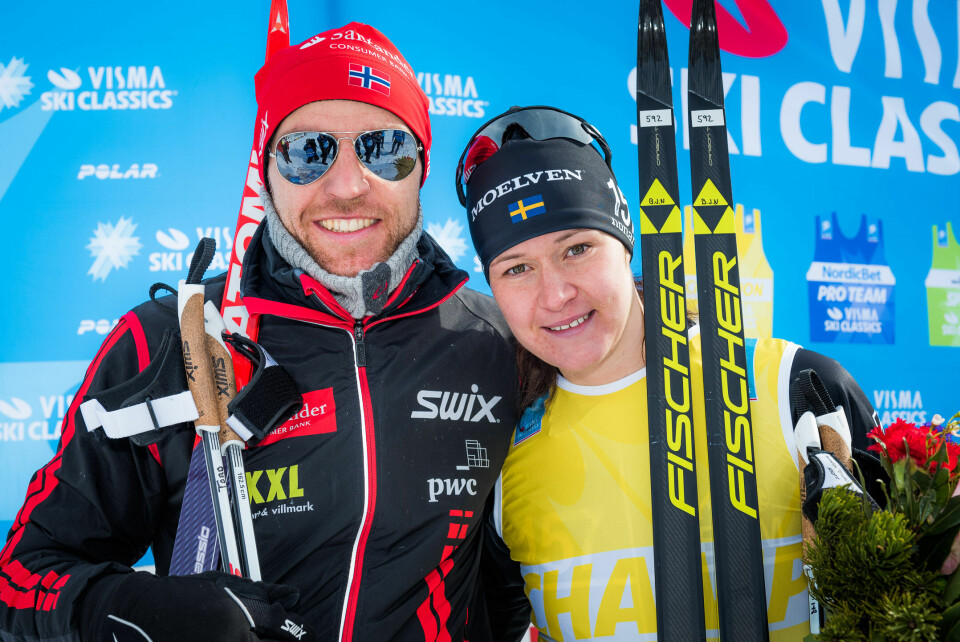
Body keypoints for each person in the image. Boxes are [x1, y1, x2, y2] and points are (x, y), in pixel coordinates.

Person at [0, 23, 522, 642]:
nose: (347, 185)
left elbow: (511, 581)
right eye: (307, 151)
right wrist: (133, 606)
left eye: (385, 149)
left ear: (422, 168)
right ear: (267, 172)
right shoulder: (170, 341)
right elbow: (20, 581)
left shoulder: (499, 343)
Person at [456, 106, 883, 640]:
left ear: (626, 243)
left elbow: (919, 587)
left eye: (577, 249)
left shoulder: (794, 386)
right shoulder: (499, 454)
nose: (556, 294)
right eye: (517, 268)